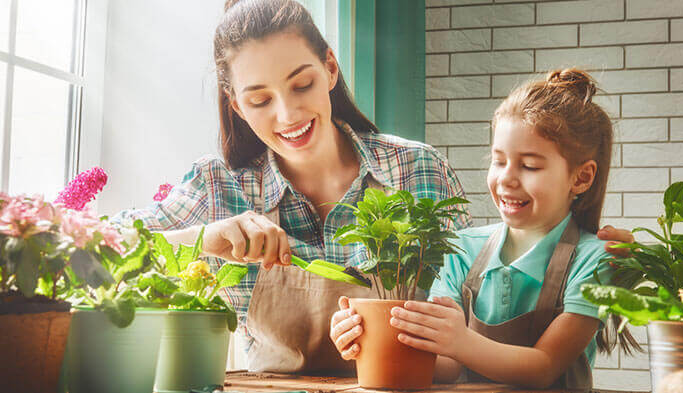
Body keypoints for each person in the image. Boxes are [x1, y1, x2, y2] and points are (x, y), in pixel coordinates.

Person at [115, 0, 633, 375]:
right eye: (259, 99)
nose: (288, 114)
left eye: (301, 84)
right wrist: (204, 238)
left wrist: (582, 257)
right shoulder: (216, 185)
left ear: (330, 68)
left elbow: (463, 336)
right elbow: (96, 250)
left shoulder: (418, 172)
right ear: (234, 103)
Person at [330, 69, 639, 388]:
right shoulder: (460, 249)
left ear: (581, 178)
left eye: (530, 165)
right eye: (498, 160)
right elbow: (447, 366)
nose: (506, 178)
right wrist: (369, 337)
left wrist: (460, 341)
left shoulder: (597, 260)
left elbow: (544, 367)